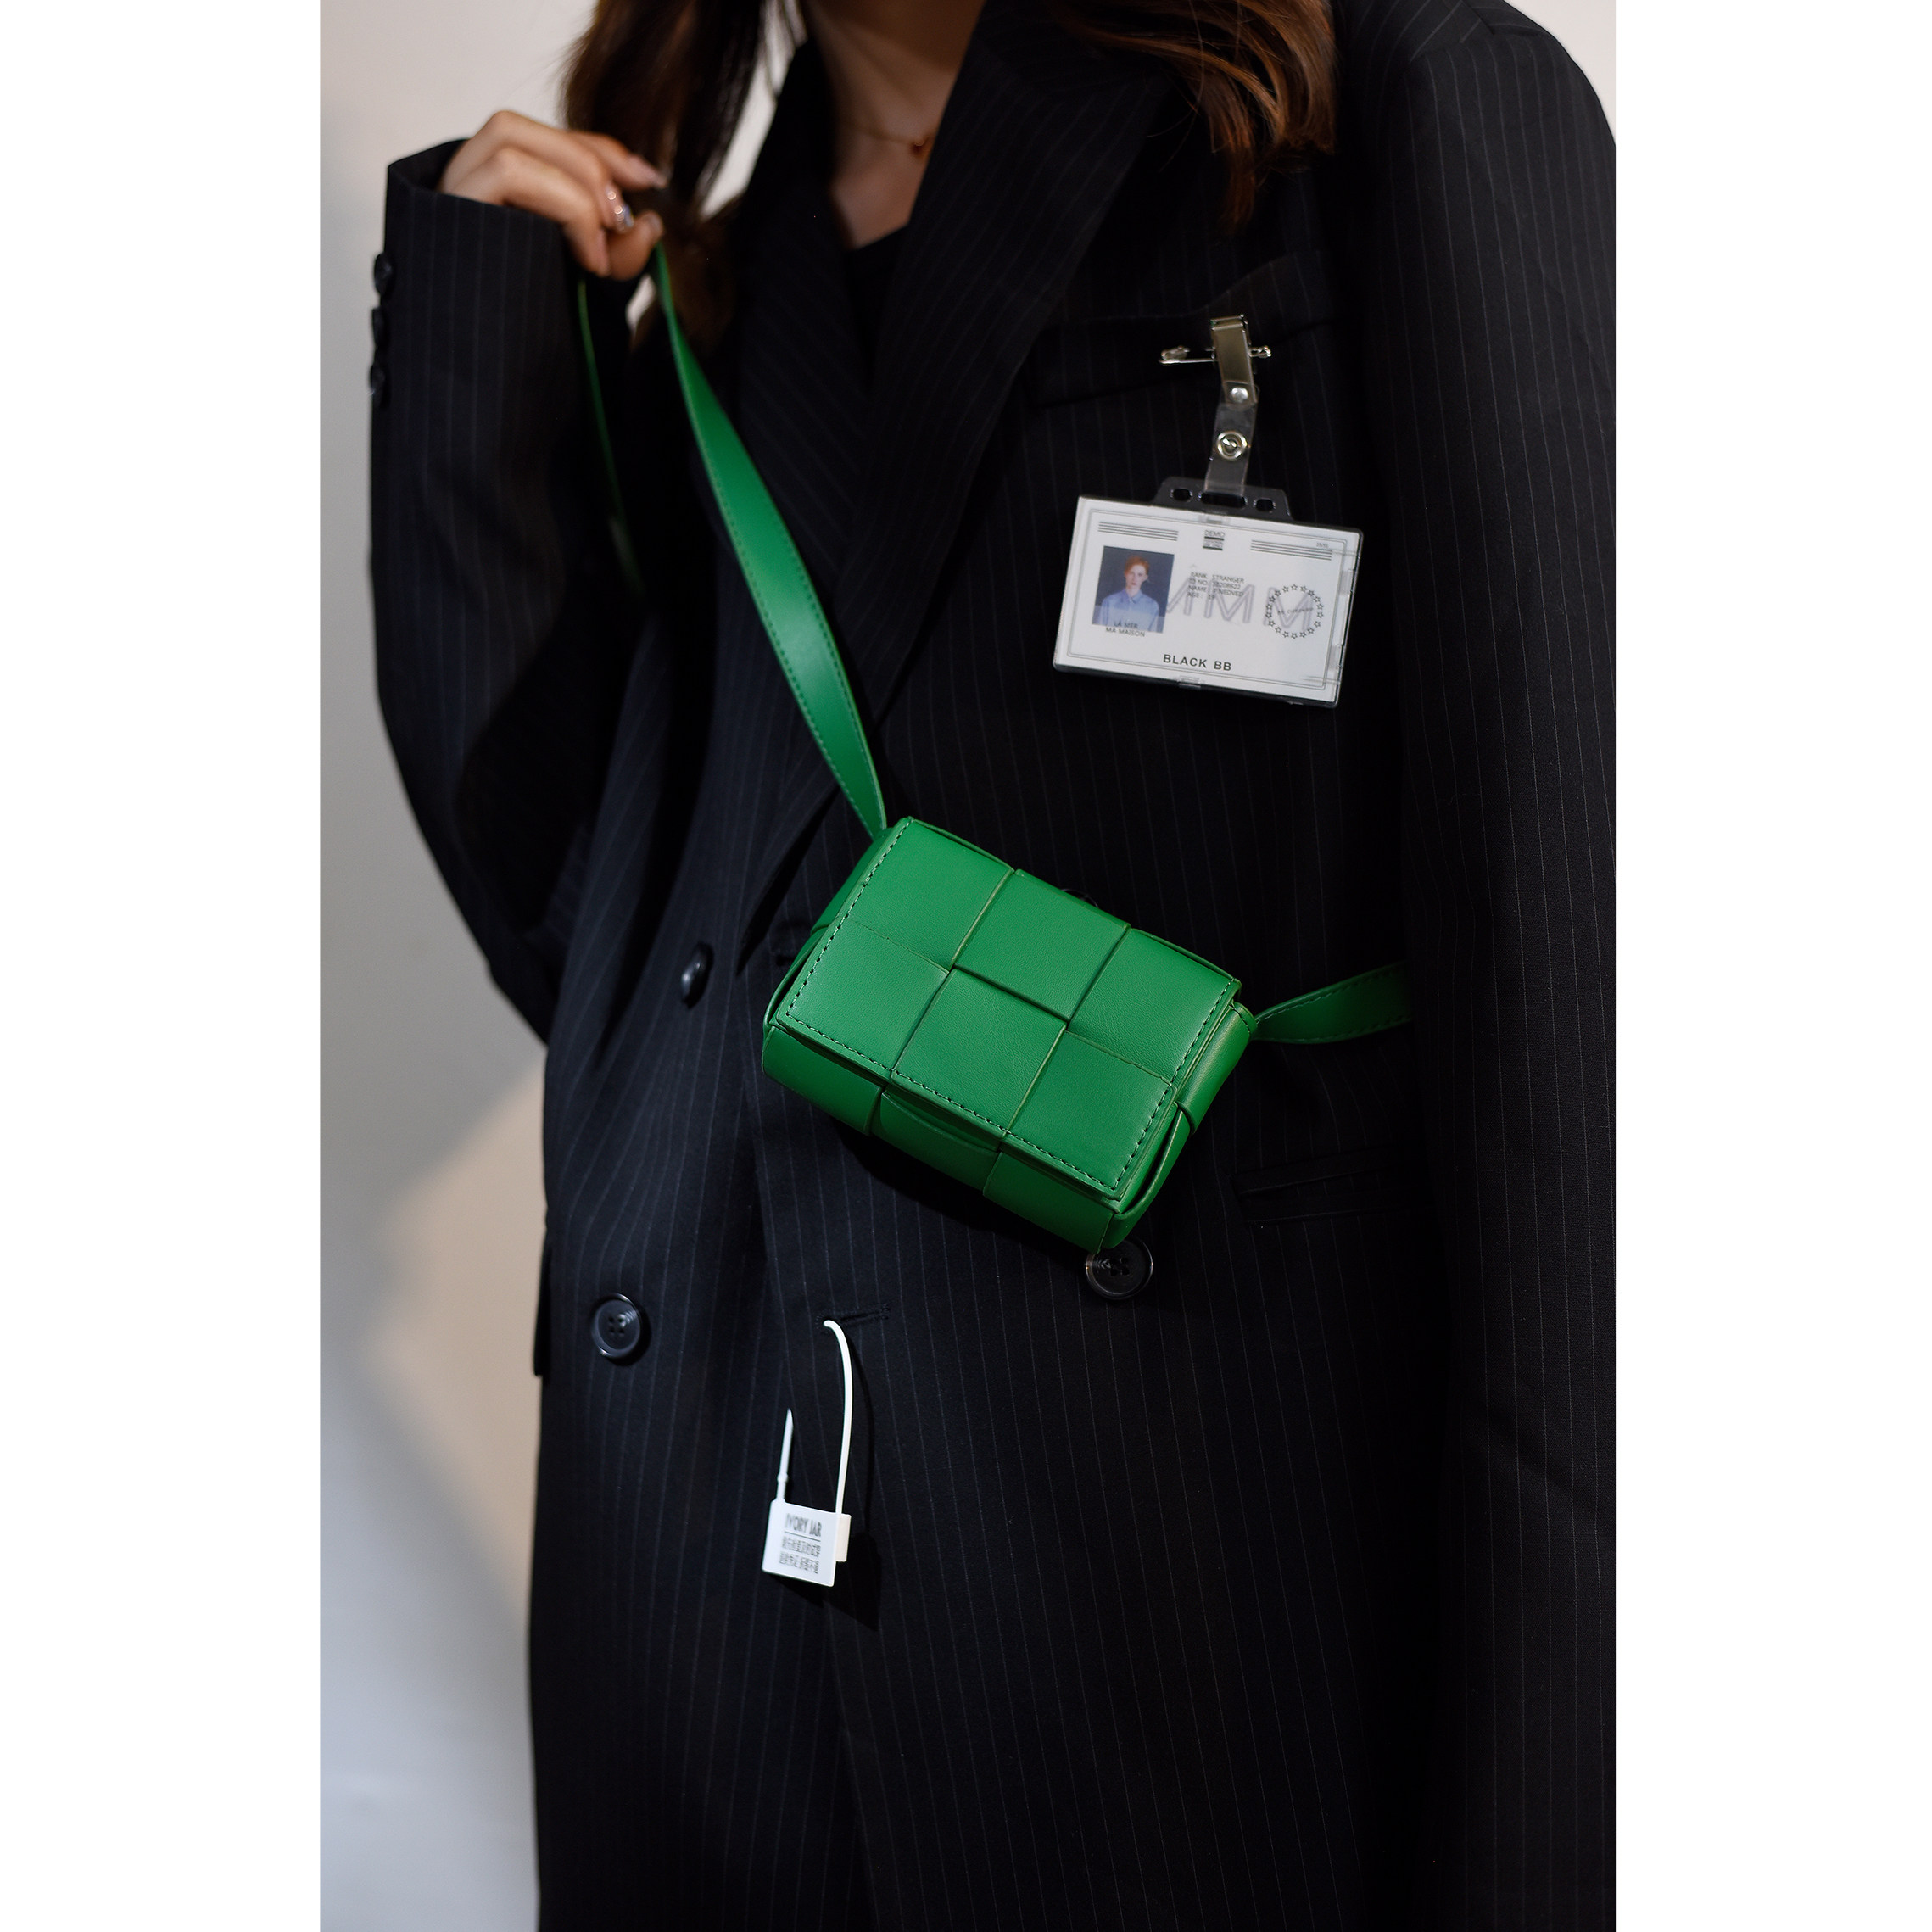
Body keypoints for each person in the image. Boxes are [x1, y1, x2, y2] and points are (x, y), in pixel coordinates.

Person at [369, 0, 1613, 1924]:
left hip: (1193, 1578)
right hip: (710, 1546)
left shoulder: (1379, 106)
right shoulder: (713, 279)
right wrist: (483, 335)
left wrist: (1550, 1806)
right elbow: (592, 942)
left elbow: (1564, 967)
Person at [1094, 555, 1164, 630]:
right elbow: (1098, 632)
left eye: (1140, 575)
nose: (1135, 578)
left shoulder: (1152, 606)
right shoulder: (1109, 602)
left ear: (1145, 578)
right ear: (1125, 573)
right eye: (1131, 573)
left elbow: (1151, 636)